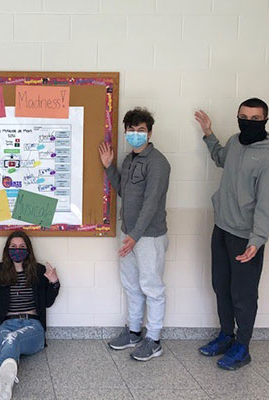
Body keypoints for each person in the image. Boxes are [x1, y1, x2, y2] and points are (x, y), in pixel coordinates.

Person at [194, 98, 269, 370]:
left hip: (246, 237)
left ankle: (243, 346)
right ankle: (226, 335)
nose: (248, 122)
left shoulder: (268, 157)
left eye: (255, 118)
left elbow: (266, 203)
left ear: (265, 120)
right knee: (221, 286)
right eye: (243, 116)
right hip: (221, 228)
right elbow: (221, 158)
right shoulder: (234, 141)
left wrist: (257, 241)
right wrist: (208, 133)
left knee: (243, 294)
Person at [98, 107, 171, 361]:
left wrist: (135, 237)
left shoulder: (158, 163)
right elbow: (124, 193)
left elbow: (151, 204)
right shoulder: (129, 161)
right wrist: (109, 168)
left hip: (148, 237)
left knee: (152, 287)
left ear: (150, 133)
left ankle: (154, 340)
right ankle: (133, 332)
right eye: (131, 130)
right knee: (131, 285)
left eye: (141, 130)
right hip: (129, 234)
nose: (136, 134)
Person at [0, 231, 60, 400]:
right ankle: (2, 381)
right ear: (7, 249)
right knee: (9, 337)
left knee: (12, 338)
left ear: (28, 250)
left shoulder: (38, 270)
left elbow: (48, 302)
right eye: (13, 247)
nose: (17, 250)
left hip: (33, 325)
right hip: (5, 324)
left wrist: (54, 283)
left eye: (22, 247)